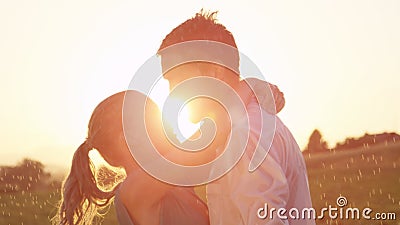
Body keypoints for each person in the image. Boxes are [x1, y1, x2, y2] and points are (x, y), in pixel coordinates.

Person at [157, 11, 315, 225]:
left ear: (214, 72)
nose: (171, 92)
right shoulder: (239, 127)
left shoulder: (245, 134)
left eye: (177, 79)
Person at [54, 91, 210, 225]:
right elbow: (204, 143)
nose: (169, 127)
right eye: (155, 123)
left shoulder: (173, 185)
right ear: (127, 140)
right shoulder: (134, 189)